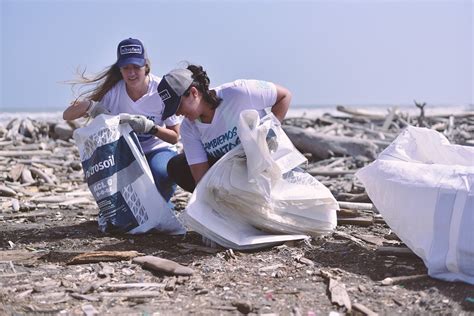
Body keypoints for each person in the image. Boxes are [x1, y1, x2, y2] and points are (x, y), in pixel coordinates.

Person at [63, 38, 181, 201]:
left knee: (162, 172)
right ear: (120, 69)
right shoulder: (113, 92)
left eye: (136, 67)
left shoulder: (161, 89)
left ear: (146, 65)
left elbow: (175, 137)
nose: (131, 73)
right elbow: (66, 115)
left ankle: (163, 206)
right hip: (126, 152)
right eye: (126, 68)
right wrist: (90, 106)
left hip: (157, 149)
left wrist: (150, 127)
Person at [157, 64, 292, 192]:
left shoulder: (238, 92)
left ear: (193, 93)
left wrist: (270, 132)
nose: (177, 114)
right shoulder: (189, 128)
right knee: (178, 166)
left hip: (267, 162)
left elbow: (284, 96)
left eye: (178, 106)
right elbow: (201, 180)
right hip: (233, 174)